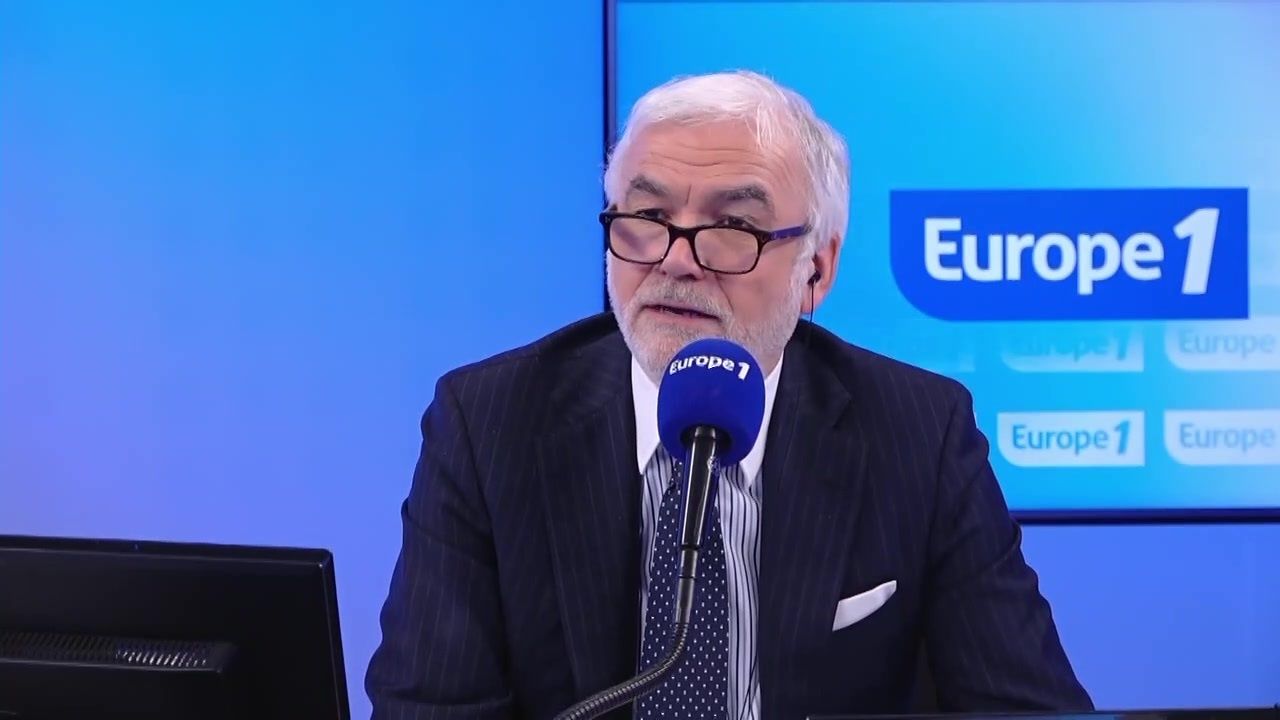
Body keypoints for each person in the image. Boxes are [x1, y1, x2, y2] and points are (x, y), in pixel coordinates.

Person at [365, 70, 1092, 720]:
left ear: (817, 268)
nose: (677, 261)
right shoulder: (490, 422)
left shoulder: (920, 432)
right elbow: (428, 708)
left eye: (733, 228)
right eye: (647, 219)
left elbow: (1029, 709)